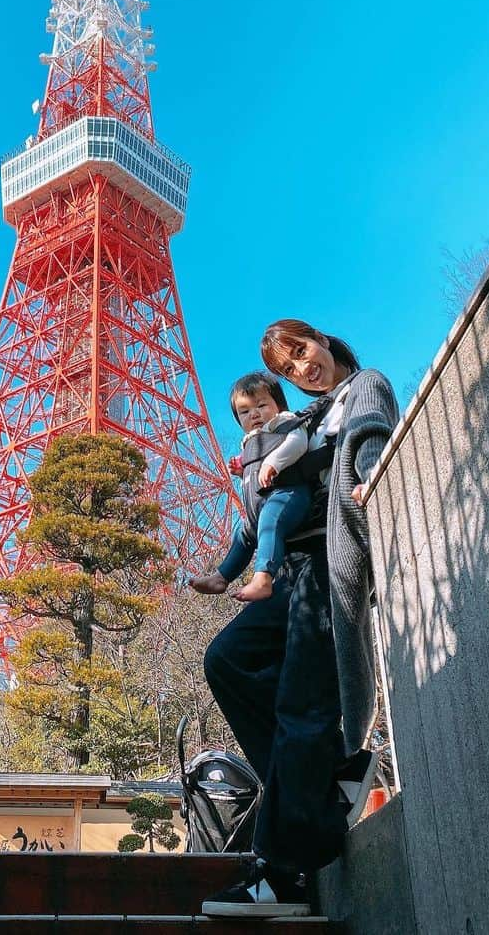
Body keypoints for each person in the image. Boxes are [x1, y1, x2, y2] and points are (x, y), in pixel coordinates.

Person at [200, 318, 397, 920]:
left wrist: (365, 478)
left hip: (326, 563)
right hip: (287, 569)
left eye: (302, 352)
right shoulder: (305, 421)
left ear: (325, 342)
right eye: (288, 366)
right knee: (227, 660)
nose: (302, 367)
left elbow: (369, 435)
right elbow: (265, 506)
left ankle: (280, 875)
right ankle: (324, 777)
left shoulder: (362, 386)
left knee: (299, 704)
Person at [189, 371, 314, 602]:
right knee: (242, 534)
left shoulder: (284, 422)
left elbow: (298, 442)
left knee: (269, 521)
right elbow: (255, 478)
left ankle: (263, 578)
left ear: (279, 405)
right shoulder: (249, 441)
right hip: (262, 505)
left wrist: (273, 462)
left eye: (261, 405)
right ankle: (221, 576)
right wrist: (241, 472)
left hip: (289, 494)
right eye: (244, 412)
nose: (254, 414)